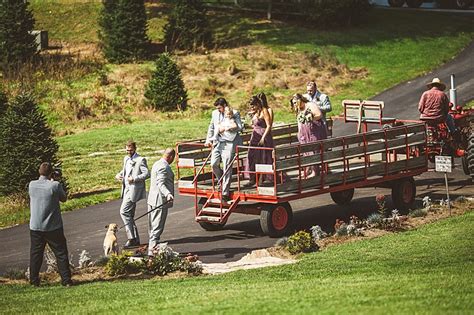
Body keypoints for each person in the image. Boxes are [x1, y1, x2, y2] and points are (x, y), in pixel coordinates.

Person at [29, 162, 72, 287]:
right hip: (53, 226)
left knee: (36, 253)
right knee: (60, 252)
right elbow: (63, 198)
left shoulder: (31, 185)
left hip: (35, 226)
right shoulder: (55, 185)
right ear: (51, 173)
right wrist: (56, 181)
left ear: (39, 172)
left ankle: (34, 280)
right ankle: (66, 280)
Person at [204, 97, 243, 202]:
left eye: (220, 108)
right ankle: (221, 181)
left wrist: (227, 127)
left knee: (227, 166)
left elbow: (239, 127)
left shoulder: (234, 112)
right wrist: (208, 140)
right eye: (217, 108)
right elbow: (211, 127)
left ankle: (225, 191)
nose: (218, 110)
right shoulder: (214, 113)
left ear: (225, 105)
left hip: (229, 142)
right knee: (213, 164)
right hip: (218, 142)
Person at [115, 140, 149, 247]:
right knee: (129, 214)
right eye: (127, 150)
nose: (129, 152)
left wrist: (134, 178)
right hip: (126, 189)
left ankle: (131, 237)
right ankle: (136, 239)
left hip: (133, 190)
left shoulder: (140, 159)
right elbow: (125, 170)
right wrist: (119, 175)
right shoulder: (126, 159)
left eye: (131, 150)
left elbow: (147, 174)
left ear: (135, 149)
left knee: (124, 211)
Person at [147, 148, 175, 257]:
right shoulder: (164, 167)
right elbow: (161, 183)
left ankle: (152, 249)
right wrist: (168, 194)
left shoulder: (156, 163)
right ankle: (152, 252)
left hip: (152, 199)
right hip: (159, 201)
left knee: (152, 227)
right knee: (157, 227)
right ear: (171, 157)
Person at [292, 93, 326, 177]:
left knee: (313, 151)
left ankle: (315, 172)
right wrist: (299, 133)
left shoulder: (310, 105)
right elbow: (299, 122)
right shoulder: (299, 109)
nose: (294, 105)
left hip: (314, 132)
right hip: (304, 134)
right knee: (305, 152)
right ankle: (307, 171)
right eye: (293, 103)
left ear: (300, 100)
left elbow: (319, 115)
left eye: (295, 102)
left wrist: (310, 117)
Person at [244, 93, 274, 187]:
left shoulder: (264, 111)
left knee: (263, 157)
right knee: (252, 156)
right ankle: (252, 178)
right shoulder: (255, 113)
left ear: (257, 104)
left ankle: (263, 179)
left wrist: (263, 137)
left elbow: (269, 125)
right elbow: (255, 125)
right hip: (255, 136)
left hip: (263, 135)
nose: (252, 108)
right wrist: (247, 126)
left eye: (253, 106)